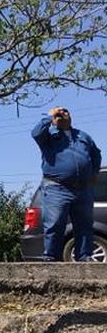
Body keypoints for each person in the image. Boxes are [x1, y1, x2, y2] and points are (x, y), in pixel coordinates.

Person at [31, 107, 101, 261]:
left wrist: (94, 172)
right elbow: (35, 133)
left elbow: (96, 154)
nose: (63, 115)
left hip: (83, 189)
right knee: (55, 224)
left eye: (65, 112)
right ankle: (51, 258)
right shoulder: (48, 135)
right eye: (59, 113)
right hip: (57, 187)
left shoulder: (83, 136)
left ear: (71, 117)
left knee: (84, 225)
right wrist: (50, 118)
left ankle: (84, 257)